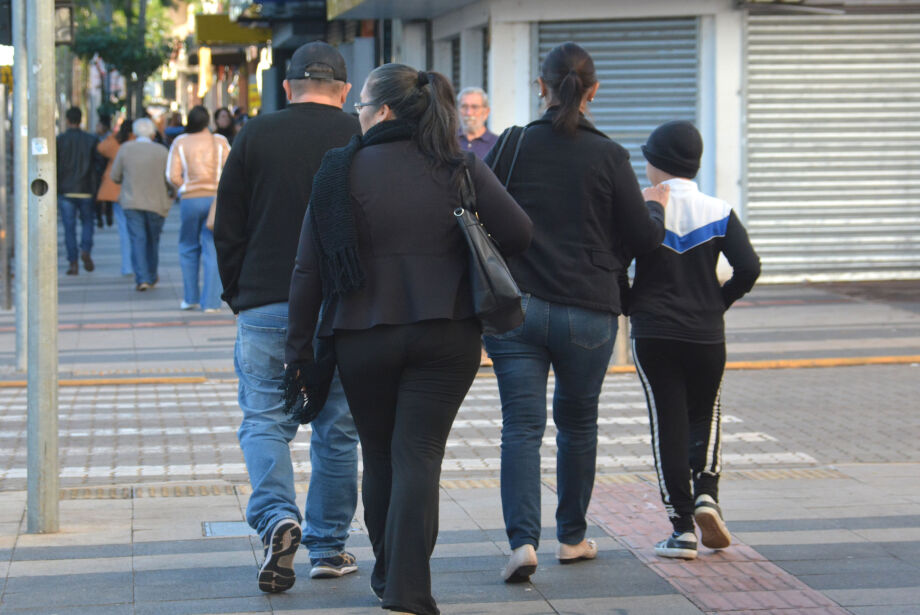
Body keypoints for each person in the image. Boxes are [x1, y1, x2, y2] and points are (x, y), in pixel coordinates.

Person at [284, 64, 532, 614]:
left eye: (362, 107)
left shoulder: (338, 171)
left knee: (381, 455)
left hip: (362, 334)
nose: (359, 116)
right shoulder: (457, 165)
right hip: (447, 333)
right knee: (419, 454)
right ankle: (406, 589)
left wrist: (298, 350)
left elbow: (308, 271)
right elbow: (518, 232)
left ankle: (389, 575)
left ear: (385, 110)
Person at [482, 41, 669, 583]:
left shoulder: (513, 146)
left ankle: (522, 543)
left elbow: (478, 212)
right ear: (593, 91)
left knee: (520, 426)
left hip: (516, 308)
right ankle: (571, 538)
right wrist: (653, 211)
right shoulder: (609, 155)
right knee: (578, 424)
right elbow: (641, 239)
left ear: (540, 87)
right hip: (589, 311)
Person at [214, 41, 362, 594]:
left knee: (264, 418)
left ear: (287, 87)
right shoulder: (358, 134)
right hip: (342, 305)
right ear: (345, 90)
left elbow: (227, 225)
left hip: (267, 300)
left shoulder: (254, 133)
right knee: (338, 428)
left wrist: (239, 293)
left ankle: (277, 516)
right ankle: (328, 547)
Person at [629, 120, 761, 560]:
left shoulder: (641, 209)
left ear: (657, 165)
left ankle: (681, 528)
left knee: (666, 423)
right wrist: (715, 303)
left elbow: (610, 264)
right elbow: (749, 268)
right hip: (705, 334)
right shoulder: (718, 209)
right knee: (707, 412)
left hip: (654, 333)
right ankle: (707, 493)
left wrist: (631, 304)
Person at [166, 105, 229, 312]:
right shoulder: (220, 142)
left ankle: (190, 297)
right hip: (216, 200)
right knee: (213, 249)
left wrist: (183, 186)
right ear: (208, 121)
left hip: (190, 199)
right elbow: (232, 169)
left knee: (188, 247)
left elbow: (171, 175)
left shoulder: (180, 142)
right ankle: (211, 302)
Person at [110, 118, 173, 291]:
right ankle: (151, 275)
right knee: (153, 240)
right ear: (153, 134)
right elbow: (170, 178)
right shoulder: (162, 151)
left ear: (134, 133)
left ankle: (142, 278)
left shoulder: (125, 149)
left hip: (132, 201)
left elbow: (115, 176)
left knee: (137, 239)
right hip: (157, 202)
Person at [57, 106, 103, 276]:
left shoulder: (60, 140)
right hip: (86, 189)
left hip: (66, 190)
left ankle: (73, 262)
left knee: (69, 228)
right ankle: (85, 250)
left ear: (68, 120)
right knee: (87, 223)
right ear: (81, 119)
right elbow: (99, 164)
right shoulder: (91, 140)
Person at [97, 118, 134, 276]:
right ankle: (139, 265)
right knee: (137, 230)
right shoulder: (138, 143)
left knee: (124, 229)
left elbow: (101, 148)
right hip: (136, 191)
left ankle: (127, 266)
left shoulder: (115, 144)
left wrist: (112, 135)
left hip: (117, 191)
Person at [456, 86, 497, 159]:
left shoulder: (497, 144)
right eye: (464, 106)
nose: (469, 113)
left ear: (486, 112)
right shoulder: (447, 141)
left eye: (475, 107)